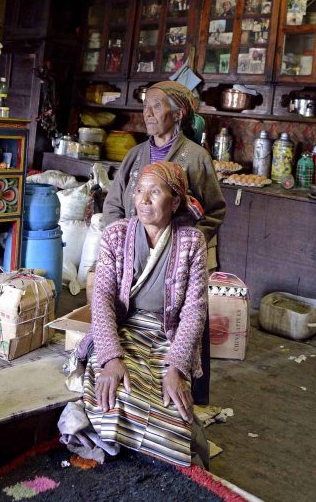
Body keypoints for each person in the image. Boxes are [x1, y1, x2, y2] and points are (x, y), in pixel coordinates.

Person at [61, 162, 210, 467]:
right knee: (116, 391)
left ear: (176, 201)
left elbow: (195, 311)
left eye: (155, 192)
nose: (143, 200)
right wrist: (111, 358)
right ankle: (131, 447)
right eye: (140, 191)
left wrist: (177, 369)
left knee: (170, 400)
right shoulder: (116, 235)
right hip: (123, 329)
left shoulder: (192, 242)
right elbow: (101, 299)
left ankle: (156, 447)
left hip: (165, 335)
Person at [102, 79, 225, 406]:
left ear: (178, 112)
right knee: (128, 321)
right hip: (132, 255)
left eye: (157, 105)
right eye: (146, 105)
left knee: (186, 320)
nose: (148, 112)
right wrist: (121, 240)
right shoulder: (135, 155)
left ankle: (188, 395)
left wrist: (187, 244)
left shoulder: (196, 157)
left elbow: (215, 210)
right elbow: (114, 204)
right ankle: (135, 388)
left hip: (178, 259)